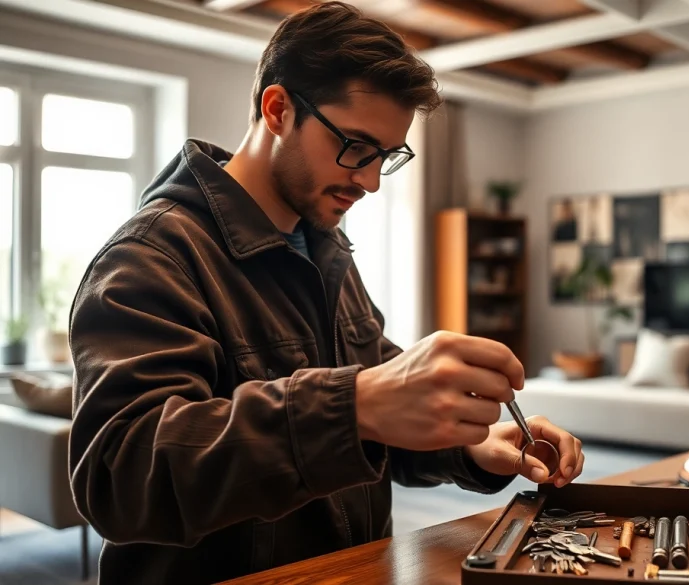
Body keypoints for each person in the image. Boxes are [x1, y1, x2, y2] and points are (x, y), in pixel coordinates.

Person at [67, 4, 584, 584]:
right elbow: (120, 477)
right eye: (356, 146)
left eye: (385, 157)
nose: (367, 180)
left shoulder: (327, 248)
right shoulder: (153, 256)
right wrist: (353, 403)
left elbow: (373, 423)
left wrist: (471, 444)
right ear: (278, 108)